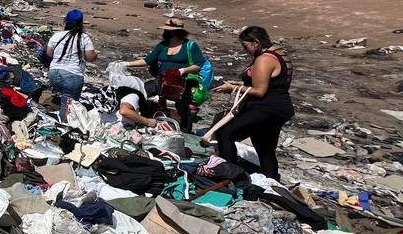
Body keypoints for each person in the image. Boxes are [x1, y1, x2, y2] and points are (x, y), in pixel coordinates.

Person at [210, 26, 295, 180]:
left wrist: (234, 88)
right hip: (280, 108)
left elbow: (260, 90)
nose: (245, 50)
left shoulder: (264, 59)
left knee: (225, 133)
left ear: (256, 42)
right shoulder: (280, 53)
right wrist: (239, 84)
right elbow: (270, 83)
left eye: (245, 46)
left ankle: (228, 176)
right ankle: (271, 181)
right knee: (265, 149)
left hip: (265, 108)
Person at [124, 17, 207, 132]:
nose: (164, 32)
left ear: (174, 32)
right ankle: (147, 121)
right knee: (143, 94)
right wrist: (126, 64)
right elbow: (148, 60)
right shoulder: (163, 45)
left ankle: (183, 131)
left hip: (181, 84)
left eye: (166, 30)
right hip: (161, 81)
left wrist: (182, 71)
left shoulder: (190, 46)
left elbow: (199, 65)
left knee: (181, 111)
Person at [44, 9, 98, 122]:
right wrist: (95, 55)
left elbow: (49, 53)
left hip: (54, 74)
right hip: (72, 76)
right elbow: (90, 58)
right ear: (81, 23)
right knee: (68, 106)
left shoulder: (57, 35)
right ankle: (64, 126)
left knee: (64, 97)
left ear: (66, 22)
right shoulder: (83, 37)